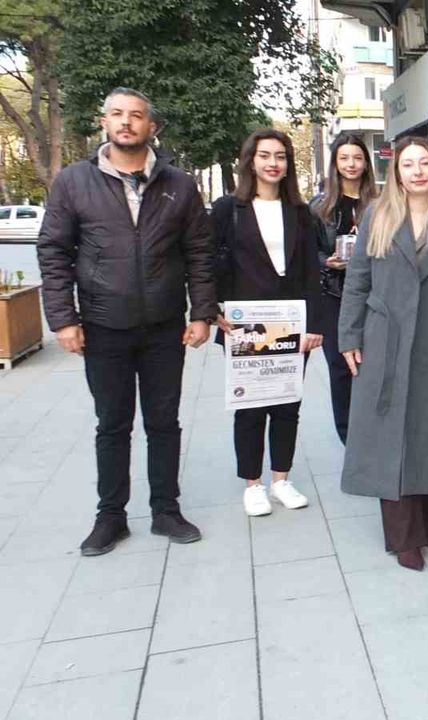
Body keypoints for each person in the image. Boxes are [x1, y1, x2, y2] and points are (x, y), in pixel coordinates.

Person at [37, 87, 214, 555]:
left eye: (136, 115)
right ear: (104, 123)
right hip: (102, 325)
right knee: (112, 424)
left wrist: (202, 313)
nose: (126, 122)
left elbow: (199, 253)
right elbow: (54, 252)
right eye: (117, 114)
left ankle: (166, 510)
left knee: (164, 422)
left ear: (151, 126)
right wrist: (64, 319)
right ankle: (110, 516)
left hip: (164, 326)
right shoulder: (74, 182)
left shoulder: (179, 184)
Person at [338, 136, 428, 571]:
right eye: (408, 164)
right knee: (389, 433)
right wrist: (349, 336)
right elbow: (357, 281)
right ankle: (403, 538)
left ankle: (427, 522)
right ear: (396, 172)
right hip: (385, 341)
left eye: (424, 163)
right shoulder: (377, 216)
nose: (417, 171)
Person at [211, 128, 324, 517]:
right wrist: (211, 309)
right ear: (251, 161)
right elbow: (207, 260)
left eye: (280, 156)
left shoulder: (300, 213)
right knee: (250, 405)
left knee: (288, 403)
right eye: (265, 155)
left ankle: (281, 480)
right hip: (245, 323)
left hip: (291, 322)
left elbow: (311, 271)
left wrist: (315, 324)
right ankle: (253, 484)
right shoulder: (229, 209)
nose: (273, 163)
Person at [310, 133, 378, 444]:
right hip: (333, 295)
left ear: (366, 163)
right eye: (344, 158)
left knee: (372, 365)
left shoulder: (380, 204)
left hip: (373, 296)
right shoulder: (319, 207)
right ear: (335, 163)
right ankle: (349, 438)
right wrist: (326, 262)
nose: (351, 164)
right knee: (341, 368)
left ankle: (373, 433)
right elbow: (307, 252)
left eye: (357, 158)